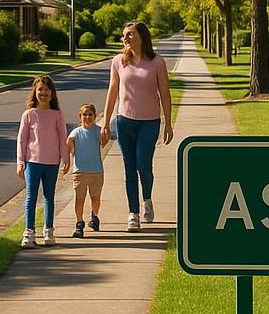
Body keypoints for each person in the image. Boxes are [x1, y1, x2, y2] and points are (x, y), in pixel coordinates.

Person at [101, 21, 173, 231]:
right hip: (124, 122)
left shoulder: (157, 62)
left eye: (130, 34)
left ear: (142, 37)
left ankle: (147, 200)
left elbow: (165, 94)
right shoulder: (118, 62)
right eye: (124, 35)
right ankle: (133, 213)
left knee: (144, 165)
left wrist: (168, 122)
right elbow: (112, 92)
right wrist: (106, 122)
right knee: (129, 169)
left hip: (149, 122)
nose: (126, 38)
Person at [16, 75, 70, 248]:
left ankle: (48, 230)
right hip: (32, 162)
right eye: (40, 89)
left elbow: (63, 138)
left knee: (49, 197)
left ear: (52, 93)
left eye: (47, 90)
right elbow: (22, 140)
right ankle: (29, 232)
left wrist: (66, 158)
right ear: (34, 92)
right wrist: (20, 162)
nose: (43, 93)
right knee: (31, 197)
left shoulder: (57, 115)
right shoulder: (29, 114)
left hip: (52, 162)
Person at [67, 103, 107, 238]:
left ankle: (94, 216)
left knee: (95, 198)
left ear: (95, 116)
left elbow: (104, 141)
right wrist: (72, 151)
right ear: (80, 117)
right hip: (80, 172)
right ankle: (79, 223)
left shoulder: (98, 131)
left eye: (90, 114)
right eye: (84, 114)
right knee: (79, 199)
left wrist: (107, 132)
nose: (87, 117)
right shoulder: (76, 132)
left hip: (96, 171)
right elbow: (69, 142)